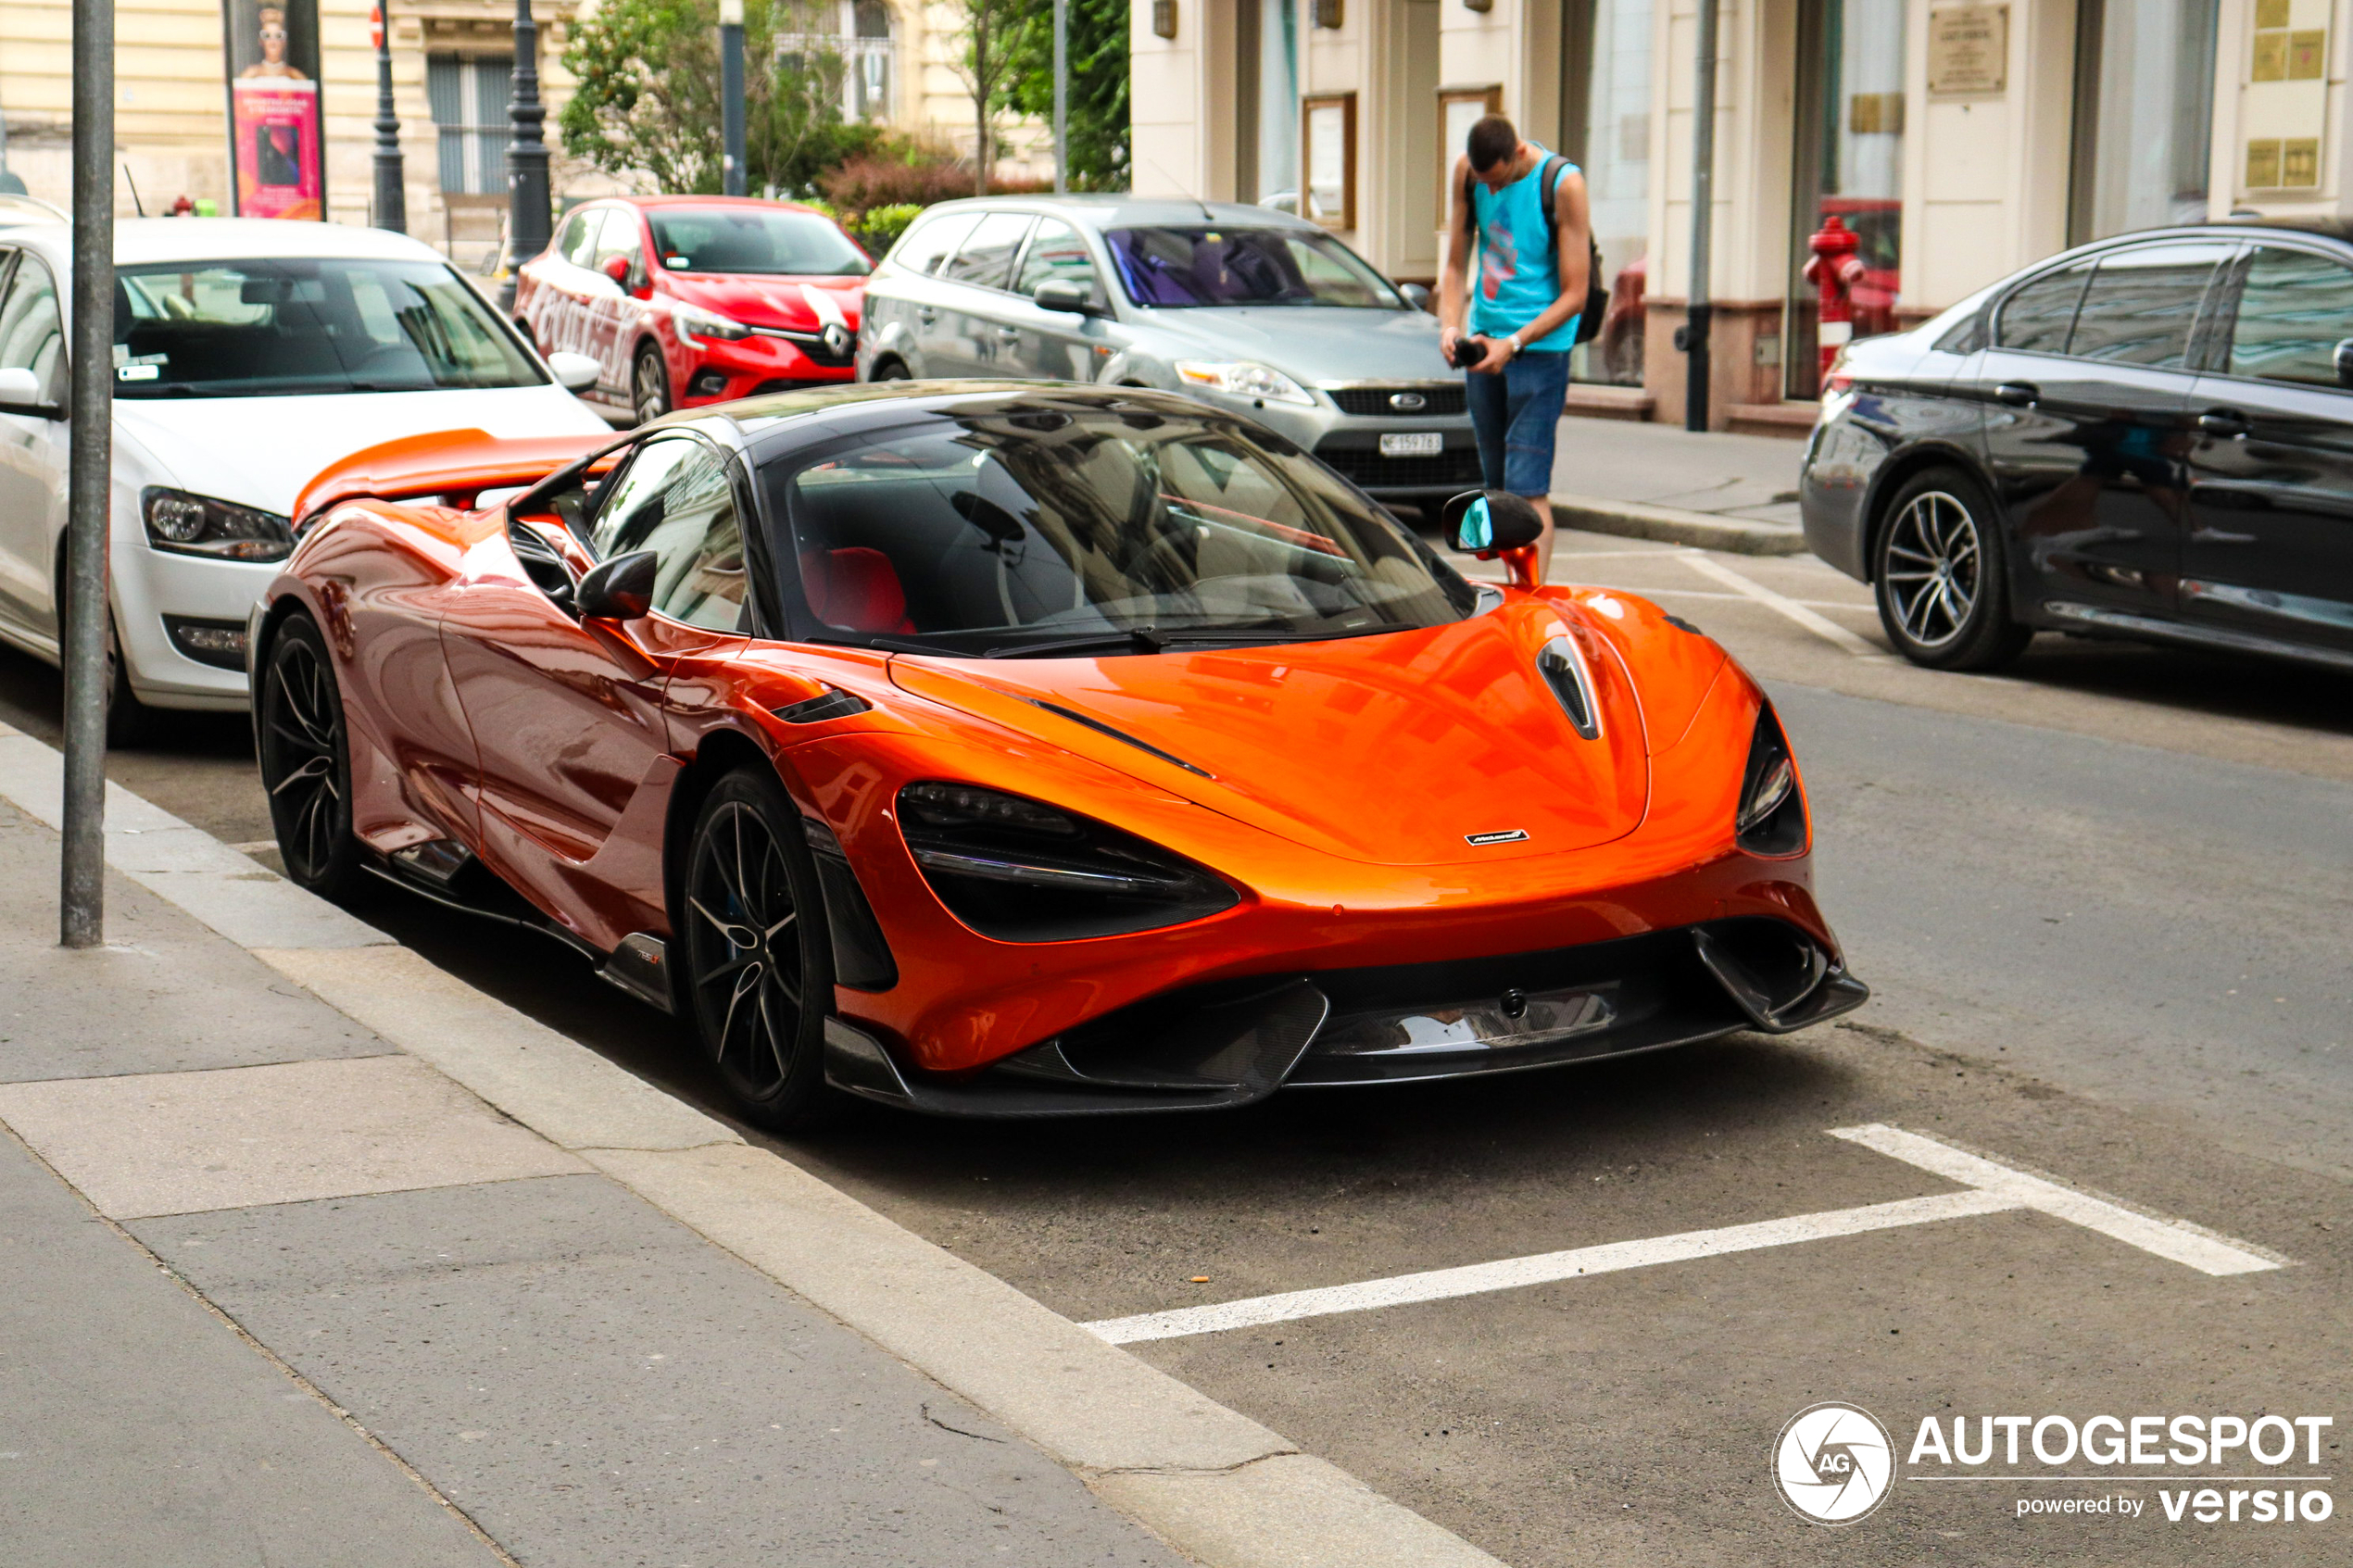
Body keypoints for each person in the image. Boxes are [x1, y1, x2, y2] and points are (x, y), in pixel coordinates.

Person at [1437, 115, 1591, 584]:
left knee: (1527, 490)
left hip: (1539, 353)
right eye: (1486, 184)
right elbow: (1456, 264)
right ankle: (1514, 596)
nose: (1493, 192)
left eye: (1498, 181)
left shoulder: (1562, 184)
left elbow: (1575, 293)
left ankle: (1532, 599)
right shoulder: (1469, 173)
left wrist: (1515, 343)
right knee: (1497, 491)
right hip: (1484, 345)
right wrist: (1448, 325)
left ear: (1519, 154)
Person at [239, 6, 308, 80]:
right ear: (261, 41)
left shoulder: (295, 75)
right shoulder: (250, 74)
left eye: (278, 36)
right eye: (267, 36)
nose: (273, 42)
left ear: (284, 42)